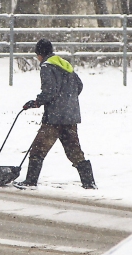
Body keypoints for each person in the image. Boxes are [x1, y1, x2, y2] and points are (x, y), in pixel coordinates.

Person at [18, 38, 96, 189]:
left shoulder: (47, 67)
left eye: (37, 54)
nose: (37, 58)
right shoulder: (65, 64)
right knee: (74, 152)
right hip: (70, 117)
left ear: (40, 54)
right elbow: (79, 85)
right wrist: (68, 100)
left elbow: (49, 92)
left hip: (54, 119)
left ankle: (31, 181)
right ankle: (89, 183)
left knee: (37, 150)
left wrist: (36, 102)